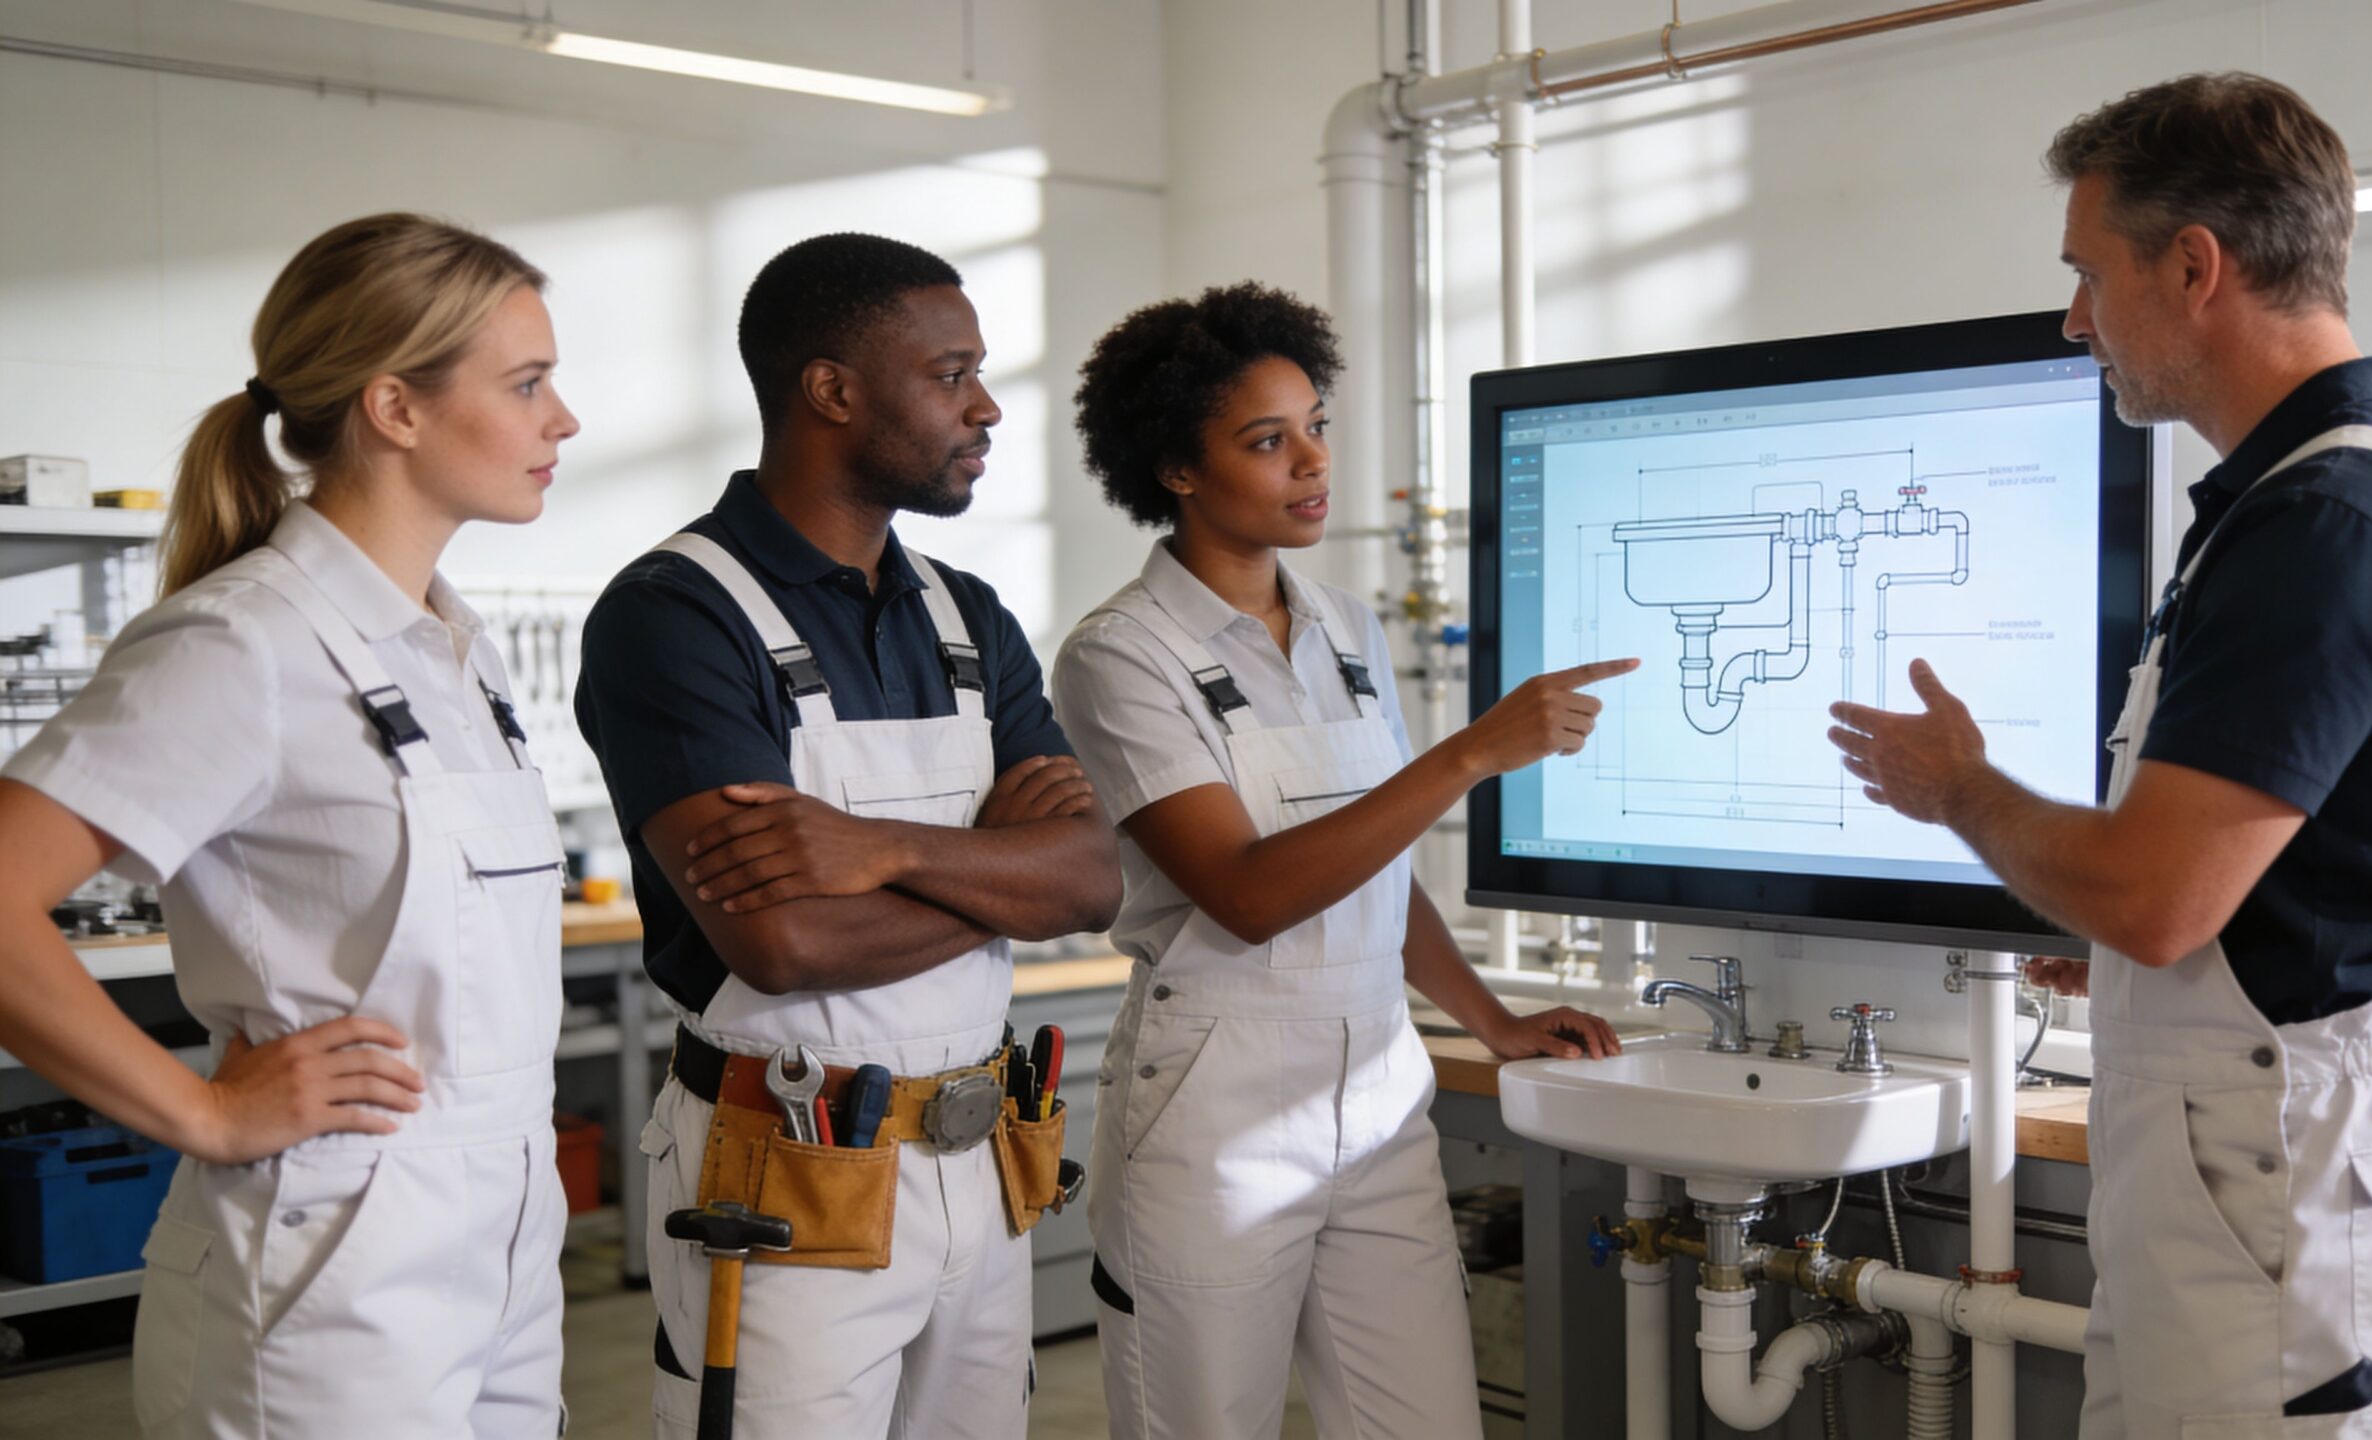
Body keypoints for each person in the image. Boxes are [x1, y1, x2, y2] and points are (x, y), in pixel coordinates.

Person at [1827, 73, 2372, 1437]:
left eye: (2089, 273)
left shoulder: (2325, 519)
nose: (2074, 317)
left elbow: (2157, 897)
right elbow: (2294, 868)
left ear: (2195, 266)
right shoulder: (2345, 492)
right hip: (2264, 1165)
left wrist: (1960, 787)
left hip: (2286, 1180)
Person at [0, 214, 580, 1437]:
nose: (560, 420)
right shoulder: (243, 641)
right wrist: (199, 1111)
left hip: (512, 1235)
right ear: (396, 407)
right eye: (527, 384)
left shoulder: (450, 651)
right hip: (336, 1255)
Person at [1052, 282, 1629, 1440]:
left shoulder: (1349, 630)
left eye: (1314, 424)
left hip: (1377, 1088)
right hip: (1218, 1100)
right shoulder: (1119, 658)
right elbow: (1252, 892)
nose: (1311, 462)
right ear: (1175, 467)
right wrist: (1468, 754)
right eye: (1267, 441)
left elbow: (1372, 859)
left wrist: (1487, 1016)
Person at [574, 232, 1121, 1439]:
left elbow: (1093, 879)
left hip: (980, 1164)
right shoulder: (673, 617)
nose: (984, 409)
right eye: (951, 373)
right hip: (785, 1170)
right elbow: (785, 944)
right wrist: (997, 863)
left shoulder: (967, 616)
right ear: (831, 390)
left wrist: (881, 849)